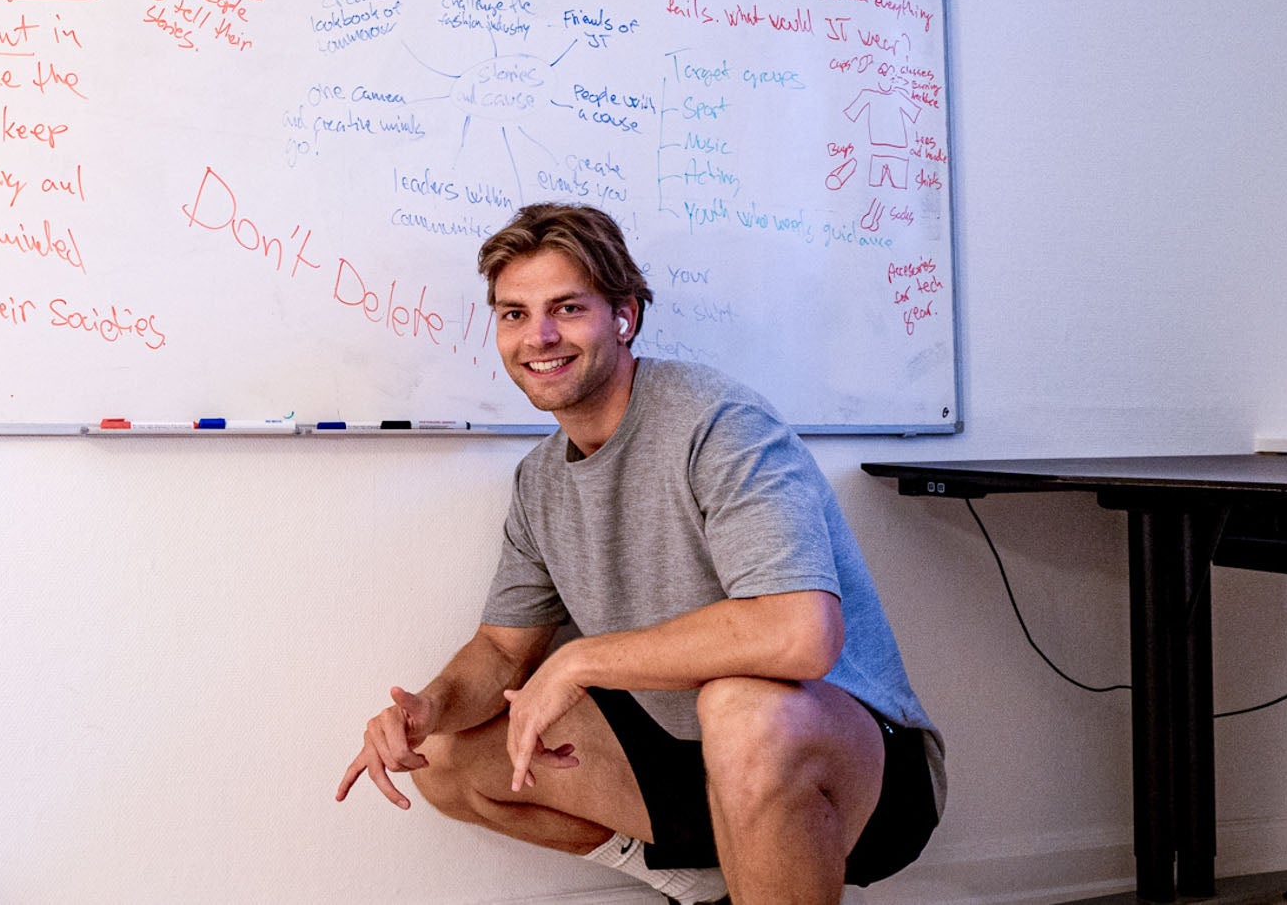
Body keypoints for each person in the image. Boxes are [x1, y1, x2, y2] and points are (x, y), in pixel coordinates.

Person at [335, 203, 941, 905]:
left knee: (742, 707)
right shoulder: (541, 480)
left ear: (624, 316)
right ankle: (703, 881)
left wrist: (580, 659)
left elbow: (799, 634)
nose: (541, 336)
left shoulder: (720, 425)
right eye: (514, 314)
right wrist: (426, 708)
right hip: (685, 759)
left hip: (859, 777)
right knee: (444, 756)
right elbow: (502, 652)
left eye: (567, 307)